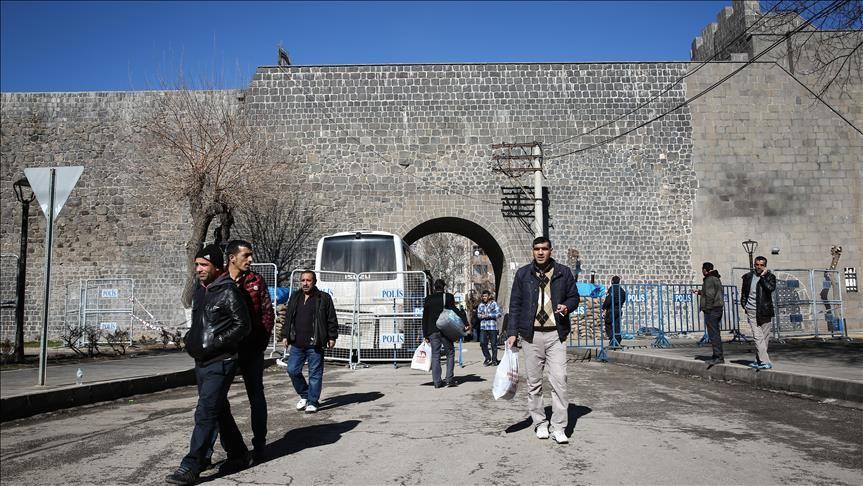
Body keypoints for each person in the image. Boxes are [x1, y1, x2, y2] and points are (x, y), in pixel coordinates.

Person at [166, 245, 251, 485]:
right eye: (197, 265)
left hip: (220, 362)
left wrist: (215, 343)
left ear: (216, 266)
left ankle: (193, 464)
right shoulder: (200, 292)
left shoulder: (229, 291)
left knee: (205, 412)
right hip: (202, 362)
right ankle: (239, 454)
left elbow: (242, 326)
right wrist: (189, 340)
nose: (199, 269)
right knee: (218, 409)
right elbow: (199, 324)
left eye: (203, 265)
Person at [507, 236, 580, 445]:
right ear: (532, 251)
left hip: (556, 334)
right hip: (531, 335)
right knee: (534, 383)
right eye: (536, 249)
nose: (540, 252)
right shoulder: (523, 274)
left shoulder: (563, 272)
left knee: (559, 379)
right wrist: (512, 331)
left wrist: (567, 306)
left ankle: (559, 427)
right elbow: (515, 304)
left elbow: (574, 297)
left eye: (544, 249)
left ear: (551, 251)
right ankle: (540, 423)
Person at [224, 239, 274, 460]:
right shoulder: (220, 281)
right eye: (246, 255)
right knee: (215, 399)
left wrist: (261, 342)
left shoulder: (256, 280)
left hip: (252, 349)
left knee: (256, 396)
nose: (251, 259)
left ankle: (260, 443)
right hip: (225, 350)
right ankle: (209, 452)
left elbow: (267, 313)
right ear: (232, 257)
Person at [279, 270, 338, 413]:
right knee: (292, 370)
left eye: (308, 280)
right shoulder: (295, 297)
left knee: (315, 374)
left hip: (315, 343)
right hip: (297, 343)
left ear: (314, 281)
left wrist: (332, 336)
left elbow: (331, 318)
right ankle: (305, 395)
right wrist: (285, 335)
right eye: (303, 280)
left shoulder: (323, 298)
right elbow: (288, 318)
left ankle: (313, 401)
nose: (305, 283)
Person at [422, 279, 467, 388]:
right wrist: (465, 321)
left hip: (432, 331)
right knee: (450, 353)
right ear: (444, 287)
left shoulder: (428, 299)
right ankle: (449, 380)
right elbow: (455, 310)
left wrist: (425, 334)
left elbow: (425, 317)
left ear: (434, 287)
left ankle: (437, 382)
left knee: (435, 355)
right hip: (446, 330)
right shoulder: (448, 297)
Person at [741, 256, 777, 370]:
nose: (759, 267)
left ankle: (758, 360)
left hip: (765, 310)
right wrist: (744, 305)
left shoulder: (770, 277)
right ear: (754, 265)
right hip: (751, 310)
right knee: (758, 336)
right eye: (757, 264)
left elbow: (770, 289)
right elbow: (744, 293)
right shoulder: (748, 277)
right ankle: (765, 361)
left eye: (761, 265)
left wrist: (763, 277)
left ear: (765, 266)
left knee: (765, 337)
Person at [697, 262, 724, 365]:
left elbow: (710, 295)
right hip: (718, 308)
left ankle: (718, 356)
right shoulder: (716, 278)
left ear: (705, 270)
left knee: (714, 334)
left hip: (712, 309)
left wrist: (707, 309)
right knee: (716, 333)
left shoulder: (709, 279)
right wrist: (700, 292)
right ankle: (717, 355)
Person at [476, 290, 502, 366]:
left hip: (492, 327)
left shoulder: (493, 304)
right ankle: (487, 358)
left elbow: (499, 314)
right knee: (482, 343)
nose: (484, 297)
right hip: (483, 327)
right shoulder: (480, 305)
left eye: (486, 296)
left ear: (489, 296)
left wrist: (489, 315)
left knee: (494, 344)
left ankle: (494, 360)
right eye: (483, 296)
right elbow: (478, 315)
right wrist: (481, 316)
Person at [602, 276, 627, 347]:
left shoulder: (612, 289)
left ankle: (612, 339)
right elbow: (624, 297)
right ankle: (617, 340)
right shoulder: (621, 290)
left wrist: (604, 307)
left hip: (611, 309)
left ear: (612, 281)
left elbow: (608, 299)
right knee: (617, 326)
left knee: (608, 323)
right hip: (619, 309)